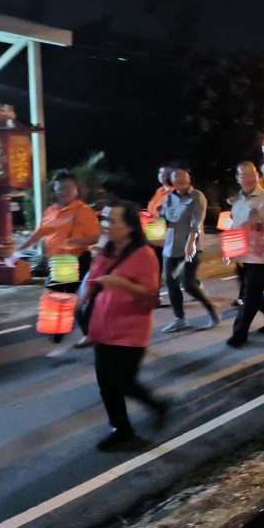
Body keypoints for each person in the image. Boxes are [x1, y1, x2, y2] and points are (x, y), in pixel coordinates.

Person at [83, 200, 167, 450]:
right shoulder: (106, 249)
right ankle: (122, 427)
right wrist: (82, 306)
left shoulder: (144, 254)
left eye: (112, 220)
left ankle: (147, 411)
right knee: (106, 385)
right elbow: (93, 281)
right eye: (104, 219)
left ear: (130, 226)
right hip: (102, 327)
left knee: (121, 383)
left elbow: (150, 295)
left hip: (130, 331)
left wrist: (121, 284)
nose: (106, 225)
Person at [227, 161, 264, 348]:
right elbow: (235, 226)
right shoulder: (238, 200)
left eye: (251, 174)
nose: (248, 179)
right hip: (241, 254)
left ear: (258, 176)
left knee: (249, 297)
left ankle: (239, 334)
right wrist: (231, 250)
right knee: (253, 294)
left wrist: (257, 225)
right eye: (243, 175)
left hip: (259, 255)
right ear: (237, 178)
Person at [160, 168, 220, 332]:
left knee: (188, 284)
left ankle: (212, 311)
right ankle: (179, 319)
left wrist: (191, 243)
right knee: (170, 283)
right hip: (170, 247)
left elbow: (197, 222)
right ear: (172, 181)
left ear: (189, 179)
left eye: (183, 176)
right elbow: (164, 220)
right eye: (176, 176)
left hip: (190, 246)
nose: (180, 178)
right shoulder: (169, 197)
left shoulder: (197, 196)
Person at [21, 169, 101, 283]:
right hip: (55, 265)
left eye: (69, 187)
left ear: (77, 189)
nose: (65, 191)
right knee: (54, 297)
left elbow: (95, 238)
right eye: (61, 188)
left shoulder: (85, 211)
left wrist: (73, 243)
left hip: (77, 264)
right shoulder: (50, 212)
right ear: (54, 189)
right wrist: (19, 249)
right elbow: (38, 234)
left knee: (74, 298)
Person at [147, 166, 174, 297]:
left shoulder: (174, 192)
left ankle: (192, 284)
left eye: (165, 174)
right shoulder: (159, 191)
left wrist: (162, 212)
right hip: (155, 231)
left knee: (166, 264)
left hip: (168, 233)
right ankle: (155, 295)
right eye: (160, 173)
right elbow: (152, 208)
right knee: (155, 263)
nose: (161, 176)